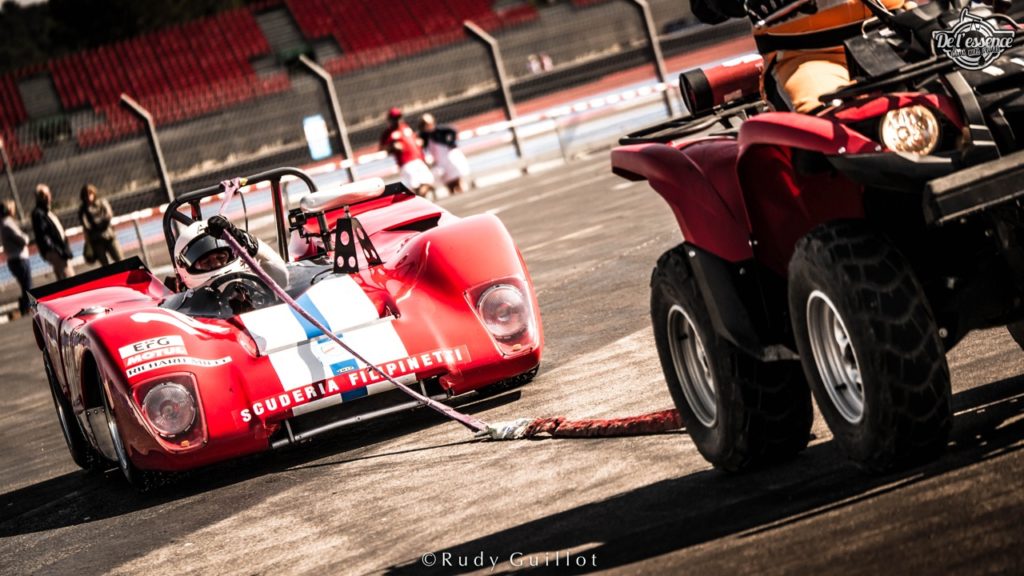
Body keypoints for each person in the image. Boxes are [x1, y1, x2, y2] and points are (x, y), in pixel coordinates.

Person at [691, 0, 904, 113]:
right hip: (809, 57)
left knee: (939, 47)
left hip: (906, 25)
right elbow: (706, 9)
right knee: (830, 119)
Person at [173, 215, 288, 292]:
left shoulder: (253, 285)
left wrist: (241, 238)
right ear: (184, 266)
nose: (217, 264)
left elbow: (282, 278)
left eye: (221, 257)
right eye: (206, 262)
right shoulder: (187, 310)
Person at [379, 107, 436, 199]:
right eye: (395, 119)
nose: (397, 121)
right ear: (390, 120)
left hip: (418, 160)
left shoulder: (405, 127)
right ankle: (420, 203)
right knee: (418, 186)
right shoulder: (388, 133)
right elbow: (382, 148)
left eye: (398, 118)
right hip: (406, 163)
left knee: (429, 181)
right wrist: (392, 147)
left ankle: (420, 201)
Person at [419, 113, 471, 195]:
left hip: (448, 158)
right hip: (439, 161)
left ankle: (462, 191)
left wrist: (451, 142)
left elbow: (453, 131)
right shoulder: (424, 136)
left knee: (456, 179)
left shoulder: (440, 131)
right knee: (447, 181)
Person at [31, 184, 75, 281]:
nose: (48, 196)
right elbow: (44, 236)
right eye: (45, 195)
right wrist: (58, 250)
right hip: (56, 251)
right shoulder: (39, 213)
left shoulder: (46, 210)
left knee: (64, 276)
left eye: (48, 193)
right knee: (69, 278)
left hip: (60, 250)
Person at [78, 184, 123, 266]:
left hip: (109, 236)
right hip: (96, 240)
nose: (88, 197)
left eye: (90, 194)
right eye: (86, 195)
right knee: (105, 266)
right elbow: (87, 225)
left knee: (120, 260)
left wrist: (96, 222)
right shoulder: (83, 210)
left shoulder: (102, 202)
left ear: (94, 193)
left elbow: (109, 215)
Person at [1, 200, 31, 316]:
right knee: (27, 285)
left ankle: (26, 307)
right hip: (19, 258)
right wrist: (26, 238)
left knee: (25, 285)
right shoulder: (8, 223)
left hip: (15, 259)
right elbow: (23, 240)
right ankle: (28, 308)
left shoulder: (4, 223)